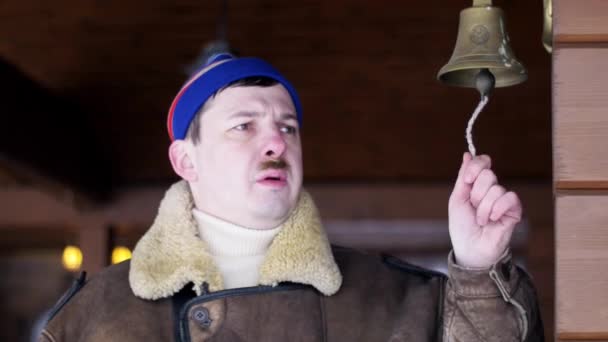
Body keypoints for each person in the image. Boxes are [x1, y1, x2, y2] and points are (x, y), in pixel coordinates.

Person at [40, 54, 543, 341]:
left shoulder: (396, 299)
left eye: (287, 127)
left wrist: (479, 270)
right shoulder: (93, 317)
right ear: (184, 161)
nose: (277, 142)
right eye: (244, 126)